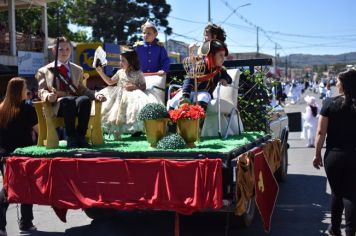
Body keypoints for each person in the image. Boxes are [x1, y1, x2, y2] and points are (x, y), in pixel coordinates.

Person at [35, 36, 106, 148]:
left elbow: (82, 89)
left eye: (67, 49)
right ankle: (71, 138)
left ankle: (81, 137)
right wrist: (48, 96)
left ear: (71, 51)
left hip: (75, 101)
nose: (64, 52)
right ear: (54, 50)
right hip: (57, 105)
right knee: (68, 101)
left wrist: (96, 94)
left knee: (85, 100)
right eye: (61, 49)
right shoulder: (44, 70)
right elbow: (41, 91)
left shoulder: (77, 69)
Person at [313, 69, 356, 236]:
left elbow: (320, 133)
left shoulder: (330, 103)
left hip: (334, 155)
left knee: (336, 192)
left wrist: (317, 154)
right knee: (352, 194)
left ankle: (335, 228)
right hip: (354, 154)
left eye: (338, 81)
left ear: (344, 84)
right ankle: (351, 231)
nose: (336, 83)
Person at [0, 77, 38, 235]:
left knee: (8, 188)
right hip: (24, 154)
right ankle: (26, 223)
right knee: (26, 187)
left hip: (5, 155)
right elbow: (39, 130)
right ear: (18, 91)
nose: (27, 90)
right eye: (25, 87)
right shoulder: (28, 109)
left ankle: (1, 226)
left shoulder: (1, 108)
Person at [96, 47, 155, 140]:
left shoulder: (138, 73)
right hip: (119, 94)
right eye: (120, 60)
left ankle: (135, 130)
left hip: (133, 95)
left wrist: (135, 87)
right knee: (114, 109)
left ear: (131, 62)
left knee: (133, 110)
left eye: (123, 61)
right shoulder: (120, 72)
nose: (120, 63)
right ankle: (114, 129)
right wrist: (101, 73)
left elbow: (143, 86)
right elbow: (110, 82)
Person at [168, 39, 232, 112]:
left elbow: (229, 79)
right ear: (211, 55)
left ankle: (197, 122)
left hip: (204, 93)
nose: (223, 59)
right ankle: (172, 122)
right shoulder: (199, 65)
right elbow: (189, 79)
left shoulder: (220, 70)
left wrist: (224, 79)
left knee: (202, 98)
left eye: (224, 56)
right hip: (189, 92)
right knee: (174, 102)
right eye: (220, 55)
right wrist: (185, 96)